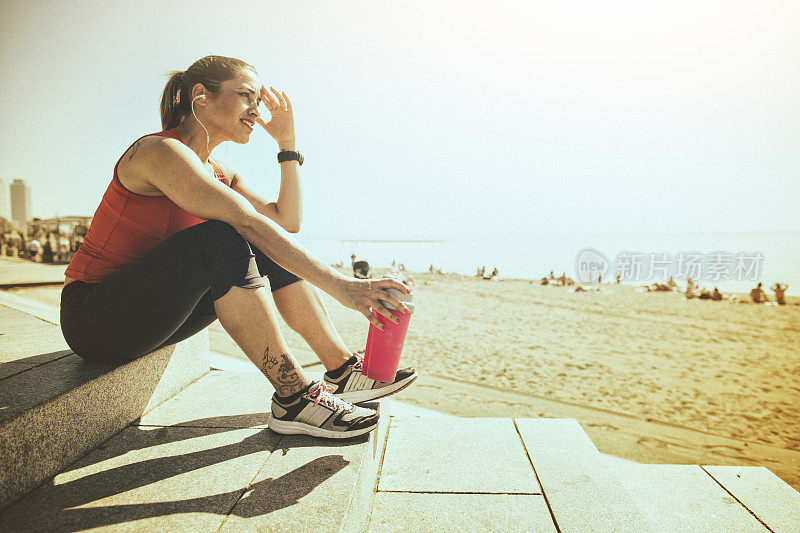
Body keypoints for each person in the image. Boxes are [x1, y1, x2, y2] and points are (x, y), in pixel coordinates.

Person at [59, 56, 417, 440]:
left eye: (257, 99)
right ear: (201, 96)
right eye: (246, 95)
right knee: (227, 232)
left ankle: (342, 369)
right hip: (93, 319)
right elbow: (246, 221)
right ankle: (293, 396)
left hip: (155, 315)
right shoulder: (158, 151)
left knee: (254, 235)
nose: (256, 109)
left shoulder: (219, 172)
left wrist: (287, 143)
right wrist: (343, 286)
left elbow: (287, 221)